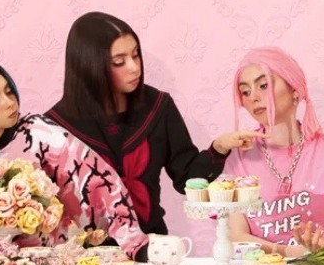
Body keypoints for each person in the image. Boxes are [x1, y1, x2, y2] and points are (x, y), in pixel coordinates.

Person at [0, 57, 144, 257]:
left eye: (9, 91)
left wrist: (132, 242)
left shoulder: (38, 135)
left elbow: (99, 181)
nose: (10, 102)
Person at [46, 12, 254, 235]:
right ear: (89, 67)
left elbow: (187, 179)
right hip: (86, 252)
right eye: (119, 62)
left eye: (136, 55)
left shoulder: (158, 108)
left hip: (153, 246)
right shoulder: (54, 128)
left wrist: (219, 148)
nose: (134, 67)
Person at [226, 47, 324, 253]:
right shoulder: (239, 156)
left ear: (295, 90)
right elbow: (236, 236)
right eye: (245, 91)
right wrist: (290, 252)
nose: (253, 97)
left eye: (263, 85)